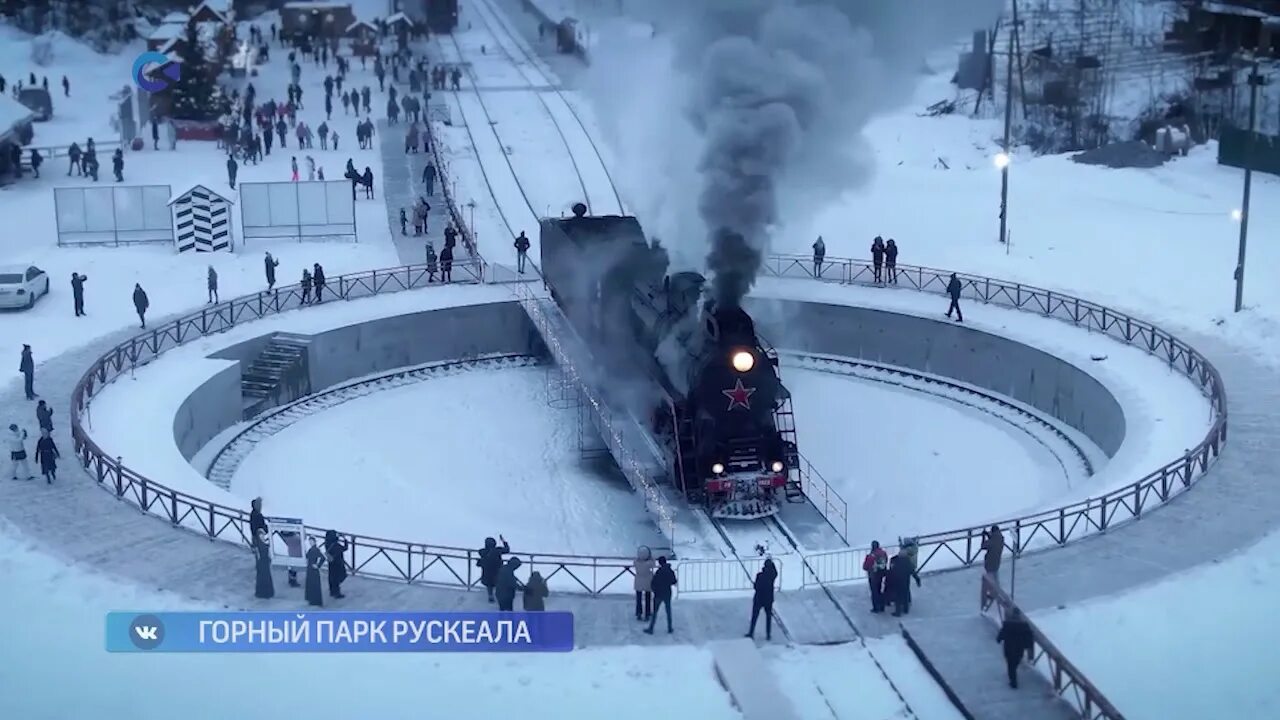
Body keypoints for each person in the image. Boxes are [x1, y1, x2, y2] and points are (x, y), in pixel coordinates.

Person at [996, 608, 1035, 689]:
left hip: (1008, 647)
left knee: (1010, 664)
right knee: (1015, 662)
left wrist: (999, 639)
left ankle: (1013, 680)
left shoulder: (1007, 625)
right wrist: (1028, 646)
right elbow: (1029, 637)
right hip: (1019, 648)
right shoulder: (1024, 626)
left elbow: (1001, 634)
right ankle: (1013, 676)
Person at [746, 558, 778, 641]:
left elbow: (756, 587)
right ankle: (768, 634)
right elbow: (775, 571)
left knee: (754, 616)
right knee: (768, 617)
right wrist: (772, 563)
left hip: (759, 599)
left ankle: (751, 632)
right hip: (768, 599)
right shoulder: (772, 576)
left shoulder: (760, 575)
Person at [644, 556, 677, 635]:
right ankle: (670, 627)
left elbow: (654, 582)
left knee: (655, 612)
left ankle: (651, 628)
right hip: (667, 593)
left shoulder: (659, 572)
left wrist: (654, 590)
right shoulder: (670, 571)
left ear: (659, 563)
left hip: (658, 593)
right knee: (668, 611)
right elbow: (673, 581)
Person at [477, 535, 509, 602]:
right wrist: (503, 541)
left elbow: (480, 558)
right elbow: (507, 549)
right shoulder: (498, 550)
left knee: (489, 584)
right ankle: (499, 596)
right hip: (497, 571)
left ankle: (490, 595)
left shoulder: (482, 551)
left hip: (487, 572)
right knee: (498, 583)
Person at [981, 524, 1005, 611]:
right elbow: (993, 541)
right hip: (997, 562)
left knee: (990, 580)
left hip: (990, 563)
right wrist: (988, 535)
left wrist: (984, 537)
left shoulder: (993, 540)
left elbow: (983, 546)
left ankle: (992, 596)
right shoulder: (1001, 538)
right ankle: (998, 593)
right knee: (995, 577)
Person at [862, 540, 889, 613]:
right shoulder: (883, 553)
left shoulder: (871, 555)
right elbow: (886, 561)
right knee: (880, 590)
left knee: (874, 592)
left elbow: (865, 566)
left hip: (873, 575)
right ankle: (882, 606)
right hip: (881, 574)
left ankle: (876, 607)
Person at [888, 548, 914, 616]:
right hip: (906, 581)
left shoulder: (896, 561)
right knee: (905, 595)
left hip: (897, 581)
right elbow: (912, 571)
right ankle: (906, 609)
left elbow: (892, 571)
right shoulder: (907, 561)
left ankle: (898, 612)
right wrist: (917, 579)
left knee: (898, 597)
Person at [324, 529, 348, 598]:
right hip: (338, 563)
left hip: (331, 563)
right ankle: (337, 593)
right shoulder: (336, 545)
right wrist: (345, 539)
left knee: (331, 577)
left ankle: (332, 591)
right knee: (337, 578)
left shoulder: (327, 543)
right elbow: (345, 548)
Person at [633, 545, 654, 621]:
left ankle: (639, 613)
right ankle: (647, 614)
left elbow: (635, 560)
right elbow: (653, 563)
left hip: (638, 582)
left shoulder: (636, 562)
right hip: (647, 582)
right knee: (648, 598)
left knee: (638, 599)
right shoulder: (649, 564)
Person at [254, 527, 275, 599]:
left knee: (267, 577)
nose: (262, 536)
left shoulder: (265, 542)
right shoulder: (258, 545)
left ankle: (267, 592)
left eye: (263, 535)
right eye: (261, 535)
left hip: (266, 562)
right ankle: (262, 593)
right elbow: (258, 555)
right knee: (262, 578)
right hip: (262, 563)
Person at [305, 536, 325, 607]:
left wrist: (318, 565)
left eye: (311, 541)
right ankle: (312, 600)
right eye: (309, 541)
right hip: (310, 568)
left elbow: (323, 557)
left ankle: (315, 600)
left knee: (314, 585)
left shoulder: (315, 549)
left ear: (314, 542)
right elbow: (307, 556)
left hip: (313, 569)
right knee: (311, 584)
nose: (310, 543)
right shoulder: (311, 549)